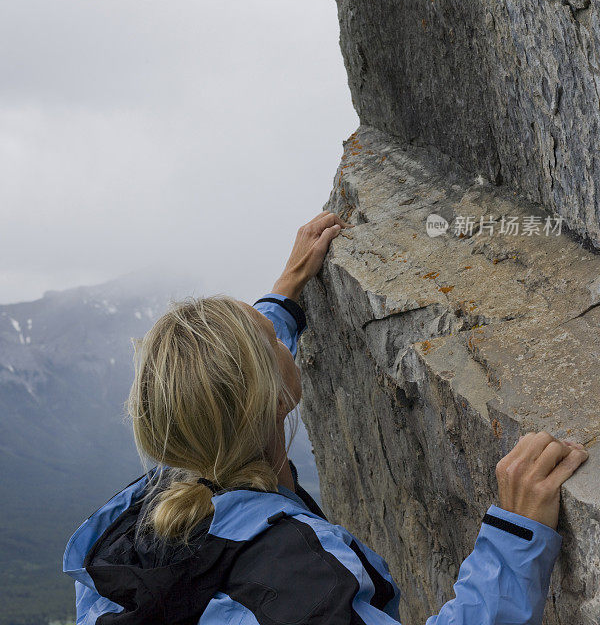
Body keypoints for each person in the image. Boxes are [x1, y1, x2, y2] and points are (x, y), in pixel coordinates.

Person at [63, 211, 589, 625]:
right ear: (271, 397)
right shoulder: (295, 583)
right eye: (270, 341)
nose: (275, 333)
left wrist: (284, 293)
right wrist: (513, 543)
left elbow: (230, 383)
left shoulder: (140, 518)